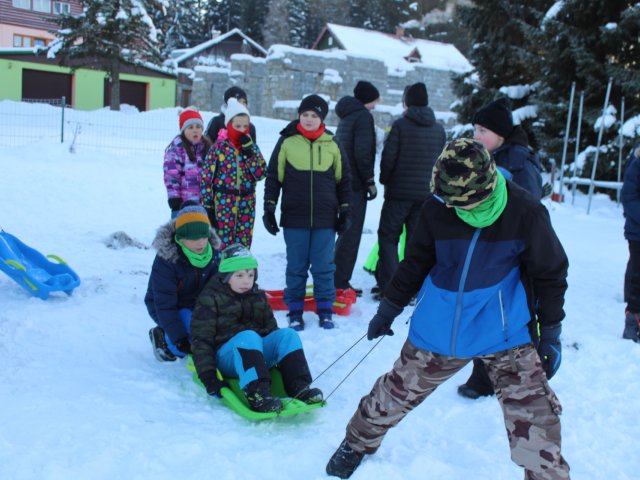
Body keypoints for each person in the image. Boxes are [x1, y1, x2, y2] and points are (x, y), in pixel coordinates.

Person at [326, 138, 570, 480]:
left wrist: (552, 332)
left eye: (460, 203)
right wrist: (389, 308)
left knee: (535, 418)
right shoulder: (435, 208)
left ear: (483, 189)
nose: (452, 208)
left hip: (503, 330)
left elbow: (551, 273)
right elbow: (415, 263)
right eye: (447, 200)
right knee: (394, 392)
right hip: (441, 324)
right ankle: (355, 443)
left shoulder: (525, 212)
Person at [459, 97, 546, 399]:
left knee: (516, 317)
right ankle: (482, 378)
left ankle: (528, 379)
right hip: (489, 252)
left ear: (501, 135)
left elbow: (531, 212)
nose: (476, 136)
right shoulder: (486, 159)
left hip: (516, 256)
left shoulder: (519, 163)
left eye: (482, 130)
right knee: (486, 312)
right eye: (475, 129)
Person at [190, 244, 323, 413]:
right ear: (226, 276)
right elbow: (201, 340)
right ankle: (258, 395)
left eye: (250, 275)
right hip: (227, 357)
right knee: (248, 336)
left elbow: (272, 332)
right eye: (239, 275)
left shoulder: (258, 297)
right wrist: (209, 377)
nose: (246, 280)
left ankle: (300, 388)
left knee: (287, 335)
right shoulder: (210, 299)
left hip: (254, 354)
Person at [263, 94, 351, 331]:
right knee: (296, 266)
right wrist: (269, 206)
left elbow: (344, 181)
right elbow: (273, 176)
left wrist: (345, 211)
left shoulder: (333, 143)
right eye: (305, 115)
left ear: (322, 118)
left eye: (314, 115)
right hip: (294, 217)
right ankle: (294, 311)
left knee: (324, 266)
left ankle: (325, 310)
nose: (309, 119)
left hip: (325, 218)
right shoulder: (287, 142)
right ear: (299, 116)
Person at [376, 82, 446, 298]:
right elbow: (442, 162)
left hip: (398, 194)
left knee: (388, 238)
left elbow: (389, 158)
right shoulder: (439, 129)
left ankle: (391, 288)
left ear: (407, 102)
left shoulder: (400, 126)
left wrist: (385, 179)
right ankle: (412, 288)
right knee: (416, 243)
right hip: (426, 195)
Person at [145, 201, 221, 362]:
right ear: (180, 238)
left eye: (203, 237)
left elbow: (218, 291)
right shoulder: (167, 259)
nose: (200, 243)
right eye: (193, 239)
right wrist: (179, 339)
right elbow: (164, 304)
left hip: (198, 304)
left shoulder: (212, 254)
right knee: (185, 346)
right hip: (168, 306)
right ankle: (162, 337)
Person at [333, 80, 381, 295]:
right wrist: (369, 181)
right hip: (355, 184)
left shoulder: (347, 115)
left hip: (342, 180)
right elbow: (363, 153)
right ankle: (340, 281)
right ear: (368, 99)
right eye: (375, 100)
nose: (376, 105)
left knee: (344, 232)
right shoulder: (362, 117)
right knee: (351, 234)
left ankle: (337, 277)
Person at [201, 98, 267, 251]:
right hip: (223, 204)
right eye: (237, 126)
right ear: (228, 125)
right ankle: (221, 273)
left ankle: (240, 273)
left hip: (246, 204)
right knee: (222, 244)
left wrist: (249, 153)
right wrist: (208, 207)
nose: (242, 129)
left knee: (242, 245)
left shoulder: (252, 148)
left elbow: (261, 173)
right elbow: (206, 179)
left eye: (245, 126)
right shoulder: (218, 148)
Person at [164, 108, 212, 218]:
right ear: (183, 130)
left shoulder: (208, 147)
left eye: (198, 127)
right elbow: (171, 177)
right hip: (183, 204)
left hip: (205, 204)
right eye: (190, 127)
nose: (195, 130)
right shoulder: (176, 149)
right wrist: (175, 199)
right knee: (184, 232)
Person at [621, 144, 640, 343]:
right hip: (637, 233)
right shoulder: (637, 163)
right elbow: (628, 196)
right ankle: (633, 321)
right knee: (637, 277)